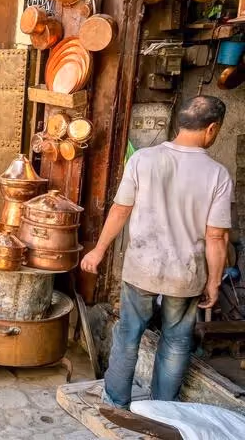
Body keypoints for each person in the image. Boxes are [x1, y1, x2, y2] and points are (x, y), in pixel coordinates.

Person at [80, 96, 232, 409]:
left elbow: (120, 210)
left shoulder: (143, 159)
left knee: (128, 334)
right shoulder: (218, 174)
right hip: (185, 274)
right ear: (212, 129)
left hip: (142, 267)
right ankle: (163, 409)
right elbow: (216, 236)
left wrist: (98, 251)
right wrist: (214, 281)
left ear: (181, 122)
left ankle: (116, 402)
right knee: (176, 341)